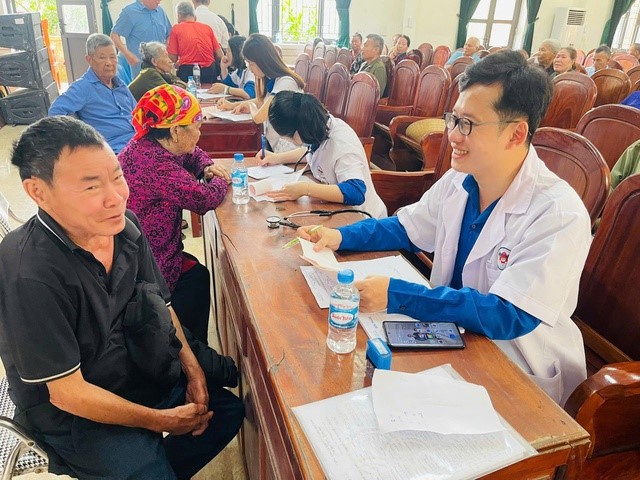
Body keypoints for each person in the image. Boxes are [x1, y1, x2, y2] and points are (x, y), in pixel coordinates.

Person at [298, 50, 592, 407]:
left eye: (467, 124)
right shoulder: (461, 180)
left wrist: (397, 294)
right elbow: (405, 228)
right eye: (453, 119)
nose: (452, 134)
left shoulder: (558, 213)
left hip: (513, 363)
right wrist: (340, 236)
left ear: (516, 134)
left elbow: (507, 315)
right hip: (450, 334)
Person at [0, 115, 244, 479]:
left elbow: (163, 305)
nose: (115, 198)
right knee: (148, 464)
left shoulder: (124, 226)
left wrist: (192, 371)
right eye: (90, 187)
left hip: (134, 366)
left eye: (117, 177)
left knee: (225, 411)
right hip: (77, 413)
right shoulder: (28, 272)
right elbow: (67, 394)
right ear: (38, 192)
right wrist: (160, 421)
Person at [119, 84, 230, 344]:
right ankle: (188, 352)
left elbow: (193, 154)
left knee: (198, 276)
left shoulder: (153, 142)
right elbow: (203, 199)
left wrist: (207, 167)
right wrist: (222, 179)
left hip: (150, 251)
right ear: (176, 130)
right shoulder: (155, 164)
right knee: (197, 281)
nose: (199, 134)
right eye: (197, 127)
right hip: (148, 266)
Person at [258, 91, 387, 219]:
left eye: (289, 137)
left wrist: (305, 189)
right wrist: (278, 158)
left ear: (299, 131)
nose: (289, 141)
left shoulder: (341, 144)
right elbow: (313, 152)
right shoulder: (317, 126)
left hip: (362, 218)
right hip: (338, 210)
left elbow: (356, 192)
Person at [49, 33, 136, 154]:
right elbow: (55, 112)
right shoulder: (83, 87)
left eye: (113, 57)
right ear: (89, 60)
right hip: (115, 151)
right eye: (102, 58)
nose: (109, 63)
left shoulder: (119, 83)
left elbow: (138, 112)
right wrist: (79, 139)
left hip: (138, 141)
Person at [217, 33, 304, 153]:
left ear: (263, 61)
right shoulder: (272, 79)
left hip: (291, 150)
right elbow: (261, 101)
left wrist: (251, 107)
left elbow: (259, 117)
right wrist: (233, 105)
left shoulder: (286, 82)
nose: (249, 68)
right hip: (276, 146)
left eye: (251, 64)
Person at [110, 0, 172, 81]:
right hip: (141, 70)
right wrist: (127, 54)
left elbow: (169, 34)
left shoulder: (161, 11)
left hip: (162, 69)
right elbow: (114, 36)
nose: (159, 1)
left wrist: (166, 47)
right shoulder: (129, 12)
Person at [168, 1, 224, 83]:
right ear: (194, 15)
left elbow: (172, 58)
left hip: (187, 71)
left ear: (179, 15)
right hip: (209, 70)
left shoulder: (176, 29)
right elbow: (219, 54)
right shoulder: (207, 28)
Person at [206, 35, 255, 99]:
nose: (226, 54)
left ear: (237, 53)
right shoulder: (240, 70)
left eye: (229, 50)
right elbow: (229, 84)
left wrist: (225, 89)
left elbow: (249, 94)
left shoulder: (251, 71)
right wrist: (223, 68)